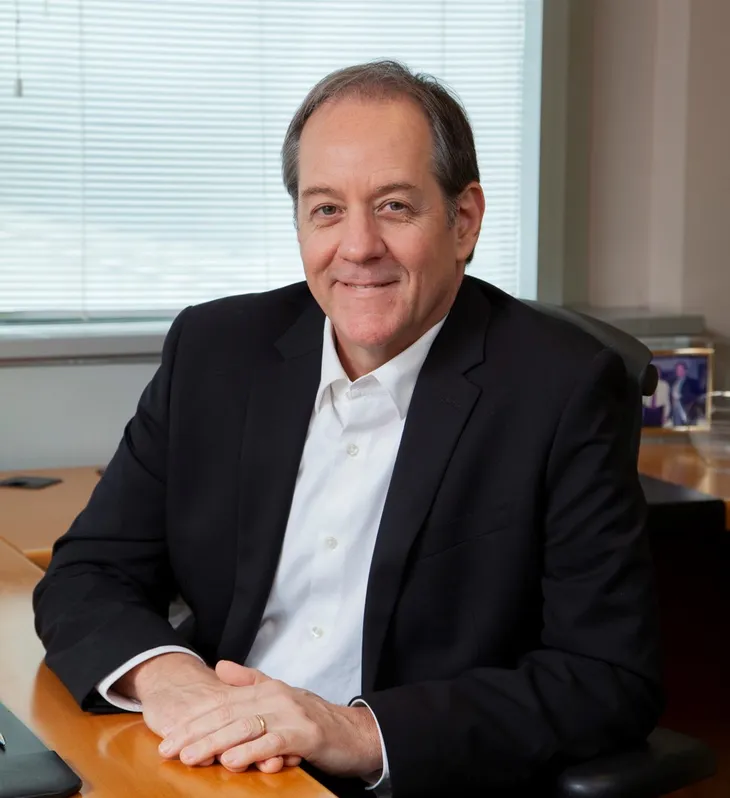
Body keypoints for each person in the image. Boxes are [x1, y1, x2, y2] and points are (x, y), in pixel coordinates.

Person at [33, 60, 662, 797]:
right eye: (327, 209)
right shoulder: (215, 351)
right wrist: (170, 678)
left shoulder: (562, 387)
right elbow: (88, 572)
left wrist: (355, 732)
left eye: (394, 206)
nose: (358, 247)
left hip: (404, 777)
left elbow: (607, 675)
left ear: (463, 220)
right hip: (214, 760)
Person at [669, 361, 702, 427]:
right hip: (675, 412)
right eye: (677, 370)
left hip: (688, 411)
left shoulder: (692, 382)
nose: (679, 371)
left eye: (681, 369)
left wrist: (680, 396)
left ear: (685, 370)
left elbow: (697, 397)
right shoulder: (672, 382)